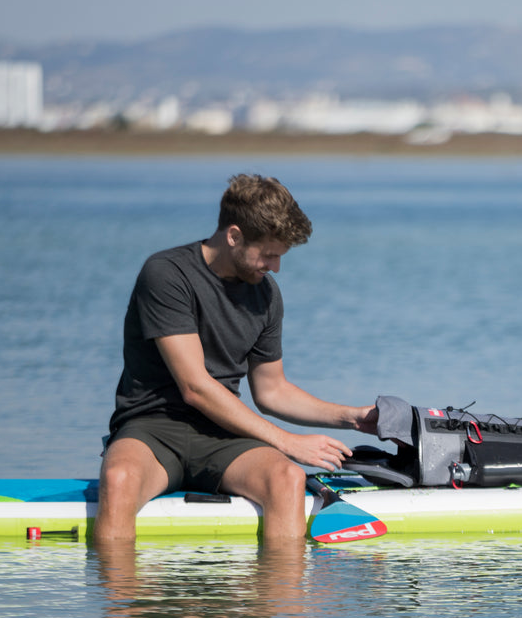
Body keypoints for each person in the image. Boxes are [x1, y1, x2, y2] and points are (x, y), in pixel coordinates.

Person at [94, 174, 377, 544]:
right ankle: (125, 601)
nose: (275, 267)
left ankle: (277, 600)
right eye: (269, 254)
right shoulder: (166, 274)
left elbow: (272, 390)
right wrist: (287, 442)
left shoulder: (266, 296)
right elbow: (195, 387)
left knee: (287, 478)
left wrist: (350, 417)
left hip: (222, 436)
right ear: (234, 236)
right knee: (118, 480)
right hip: (152, 430)